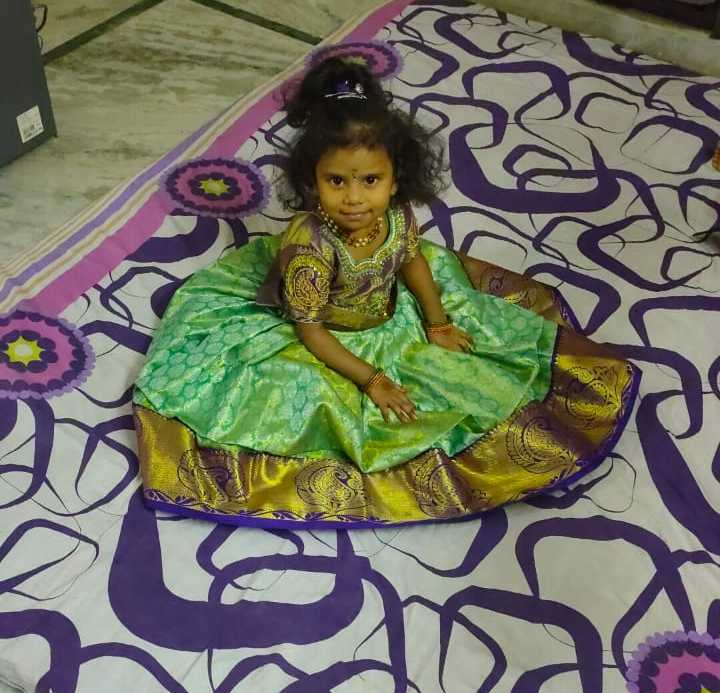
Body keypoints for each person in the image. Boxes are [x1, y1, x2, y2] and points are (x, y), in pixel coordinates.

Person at [133, 55, 639, 529]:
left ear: (396, 180)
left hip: (391, 317)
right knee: (329, 416)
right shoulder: (311, 250)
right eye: (336, 181)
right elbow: (310, 330)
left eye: (371, 180)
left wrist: (437, 321)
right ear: (312, 181)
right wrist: (372, 379)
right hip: (330, 339)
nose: (354, 198)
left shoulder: (396, 217)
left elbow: (411, 260)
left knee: (485, 373)